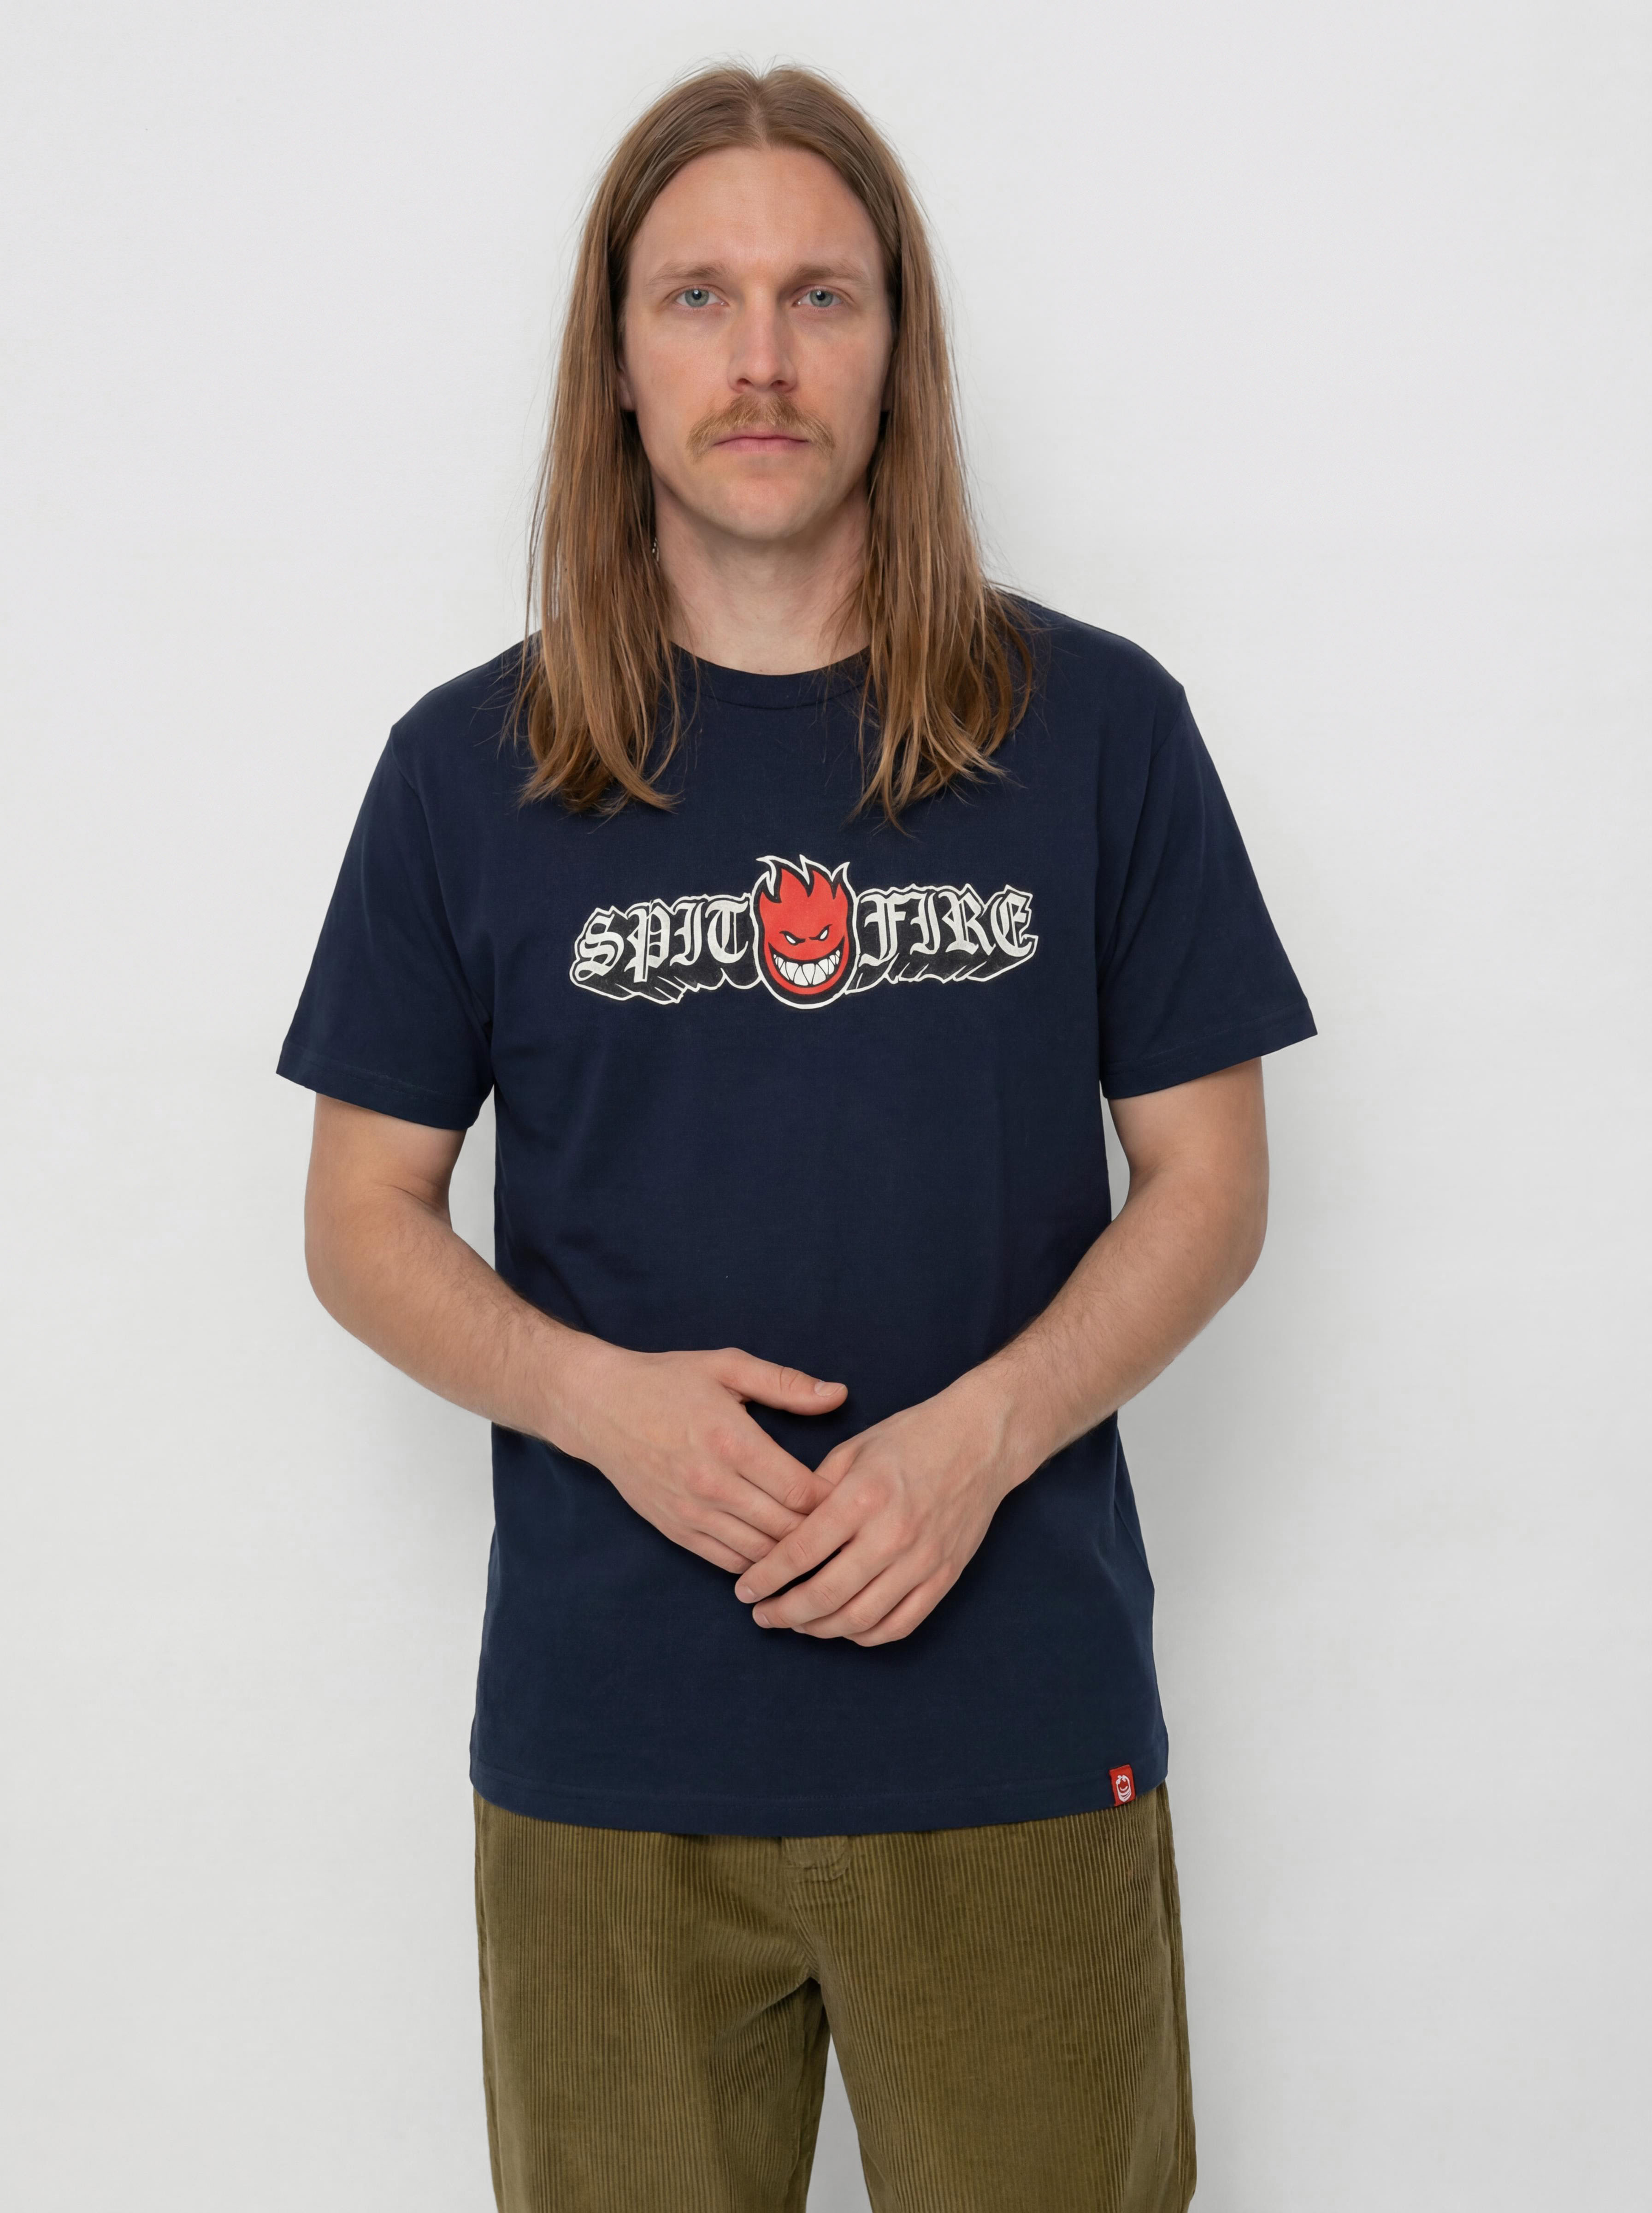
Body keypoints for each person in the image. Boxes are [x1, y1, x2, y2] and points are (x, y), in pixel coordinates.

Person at [278, 60, 1315, 2213]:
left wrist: (981, 1439)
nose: (759, 358)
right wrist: (598, 1404)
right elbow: (362, 1215)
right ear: (617, 360)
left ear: (894, 348)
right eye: (699, 298)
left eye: (818, 296)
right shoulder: (465, 770)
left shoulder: (1096, 732)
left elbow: (1208, 1185)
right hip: (609, 1767)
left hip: (1013, 1737)